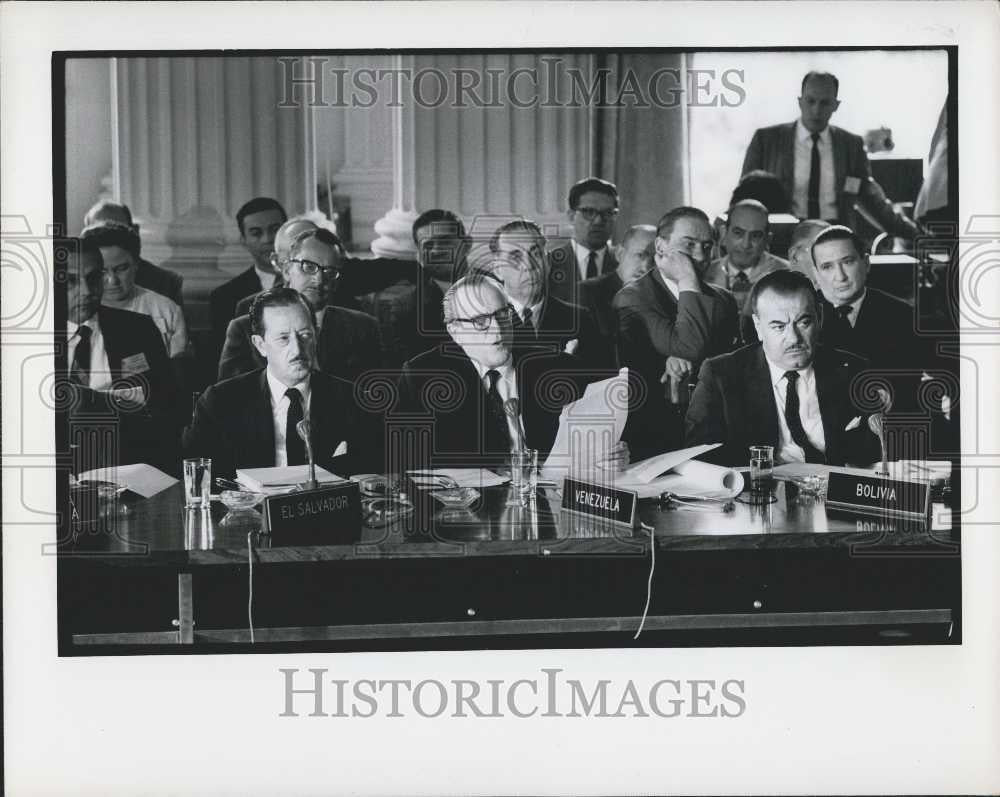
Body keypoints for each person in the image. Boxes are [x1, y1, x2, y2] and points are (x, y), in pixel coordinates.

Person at [394, 273, 627, 470]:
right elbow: (410, 465)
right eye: (480, 321)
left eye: (502, 314)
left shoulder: (558, 368)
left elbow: (592, 446)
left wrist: (611, 456)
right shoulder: (422, 377)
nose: (497, 328)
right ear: (455, 331)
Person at [685, 269, 881, 467]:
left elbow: (877, 452)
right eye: (779, 327)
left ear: (819, 317)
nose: (794, 338)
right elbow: (700, 458)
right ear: (758, 327)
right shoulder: (721, 375)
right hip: (757, 484)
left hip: (832, 483)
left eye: (804, 322)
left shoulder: (854, 371)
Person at [185, 288, 380, 479]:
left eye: (305, 335)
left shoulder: (355, 400)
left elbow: (374, 474)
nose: (297, 350)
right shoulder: (220, 403)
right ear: (260, 345)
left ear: (316, 335)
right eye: (283, 338)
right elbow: (198, 479)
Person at [614, 206, 740, 456]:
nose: (701, 256)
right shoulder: (632, 298)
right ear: (660, 247)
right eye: (689, 245)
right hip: (656, 437)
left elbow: (735, 368)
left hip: (715, 432)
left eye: (707, 246)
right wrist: (687, 280)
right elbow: (689, 348)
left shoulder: (723, 300)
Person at [741, 71, 920, 239]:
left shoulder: (851, 146)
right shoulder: (767, 141)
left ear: (836, 105)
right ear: (800, 101)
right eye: (811, 101)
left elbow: (873, 202)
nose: (816, 110)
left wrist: (917, 236)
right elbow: (744, 198)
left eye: (824, 103)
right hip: (783, 237)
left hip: (836, 237)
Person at [59, 237, 177, 472]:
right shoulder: (26, 343)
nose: (86, 291)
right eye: (71, 281)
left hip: (124, 462)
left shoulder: (138, 329)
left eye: (93, 278)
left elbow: (167, 405)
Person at [218, 227, 382, 382]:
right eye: (309, 267)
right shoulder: (244, 330)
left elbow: (377, 394)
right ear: (286, 271)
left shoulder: (363, 328)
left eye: (330, 271)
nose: (319, 280)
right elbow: (229, 396)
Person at [488, 219, 611, 371]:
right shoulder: (484, 324)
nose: (529, 265)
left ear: (548, 262)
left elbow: (602, 378)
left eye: (536, 254)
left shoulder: (580, 320)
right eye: (515, 257)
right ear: (497, 269)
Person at [81, 222, 189, 359]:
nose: (112, 280)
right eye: (102, 272)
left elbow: (176, 366)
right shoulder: (78, 312)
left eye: (121, 269)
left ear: (136, 264)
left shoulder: (167, 310)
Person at [209, 197, 287, 353]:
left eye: (274, 229)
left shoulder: (316, 283)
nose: (267, 239)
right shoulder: (225, 298)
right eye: (256, 233)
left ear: (286, 232)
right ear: (243, 240)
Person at [82, 199, 184, 306]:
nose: (108, 238)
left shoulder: (166, 283)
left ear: (135, 230)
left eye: (119, 231)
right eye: (99, 232)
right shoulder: (78, 284)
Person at [704, 199, 790, 317]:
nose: (746, 244)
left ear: (767, 240)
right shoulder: (704, 273)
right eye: (738, 233)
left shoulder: (788, 275)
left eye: (755, 236)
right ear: (724, 233)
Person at [578, 223, 656, 349]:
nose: (646, 267)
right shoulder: (586, 293)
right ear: (619, 253)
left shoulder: (661, 298)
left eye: (655, 260)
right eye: (640, 255)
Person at [546, 177, 620, 304]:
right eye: (589, 212)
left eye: (607, 213)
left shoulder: (625, 264)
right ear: (571, 216)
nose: (598, 221)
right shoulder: (548, 266)